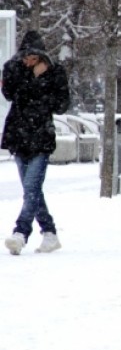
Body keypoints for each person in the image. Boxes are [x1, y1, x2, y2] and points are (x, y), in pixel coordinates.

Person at [2, 30, 71, 255]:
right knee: (32, 190)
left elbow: (61, 104)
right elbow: (11, 95)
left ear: (41, 56)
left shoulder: (55, 73)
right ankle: (50, 233)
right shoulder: (14, 70)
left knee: (31, 188)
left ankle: (20, 233)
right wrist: (32, 79)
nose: (28, 61)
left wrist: (41, 82)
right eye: (25, 57)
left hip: (41, 136)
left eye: (32, 57)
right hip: (18, 136)